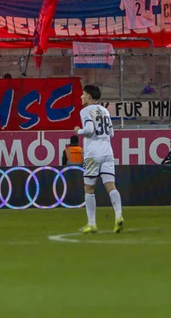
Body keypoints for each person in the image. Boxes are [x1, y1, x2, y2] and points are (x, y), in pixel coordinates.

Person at [75, 84, 123, 234]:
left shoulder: (85, 111)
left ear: (89, 97)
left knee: (89, 188)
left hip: (92, 153)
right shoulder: (104, 110)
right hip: (108, 151)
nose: (81, 97)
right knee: (111, 186)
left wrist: (78, 131)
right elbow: (112, 133)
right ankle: (119, 216)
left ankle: (92, 224)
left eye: (83, 95)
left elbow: (89, 130)